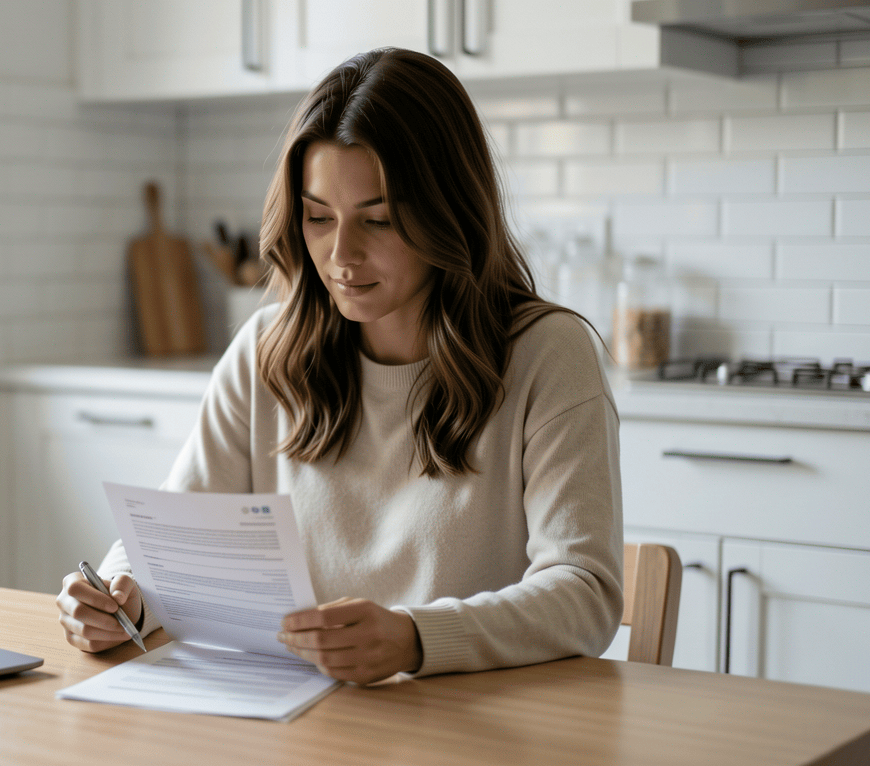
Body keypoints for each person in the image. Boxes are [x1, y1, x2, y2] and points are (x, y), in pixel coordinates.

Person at [56, 47, 623, 686]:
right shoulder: (267, 349)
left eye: (378, 220)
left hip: (474, 731)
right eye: (319, 217)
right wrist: (117, 594)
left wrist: (417, 640)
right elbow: (173, 547)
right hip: (297, 724)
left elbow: (586, 594)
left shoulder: (548, 354)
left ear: (448, 213)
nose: (342, 254)